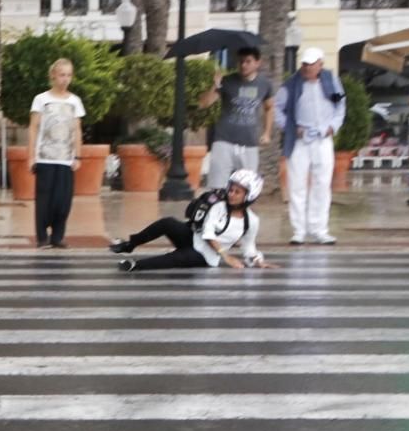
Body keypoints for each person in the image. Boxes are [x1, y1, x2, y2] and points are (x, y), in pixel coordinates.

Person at [109, 170, 275, 271]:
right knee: (168, 222)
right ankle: (130, 245)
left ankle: (135, 266)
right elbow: (208, 233)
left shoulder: (251, 221)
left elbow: (249, 246)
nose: (231, 194)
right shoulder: (220, 207)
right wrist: (227, 256)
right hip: (194, 238)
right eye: (231, 189)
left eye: (237, 192)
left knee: (176, 258)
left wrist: (258, 261)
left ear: (250, 196)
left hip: (206, 257)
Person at [273, 47, 345, 245]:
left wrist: (333, 126)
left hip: (323, 139)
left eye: (311, 63)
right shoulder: (291, 84)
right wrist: (289, 127)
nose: (306, 67)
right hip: (300, 140)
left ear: (320, 64)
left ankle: (319, 229)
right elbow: (277, 109)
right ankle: (298, 230)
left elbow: (340, 106)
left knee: (322, 185)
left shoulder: (332, 81)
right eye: (304, 63)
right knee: (296, 185)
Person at [29, 58, 85, 249]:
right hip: (44, 157)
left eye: (69, 75)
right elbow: (34, 127)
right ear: (53, 75)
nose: (65, 79)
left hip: (66, 159)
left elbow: (77, 130)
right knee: (44, 199)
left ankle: (58, 236)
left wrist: (78, 155)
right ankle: (42, 237)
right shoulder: (41, 99)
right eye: (62, 75)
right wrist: (31, 156)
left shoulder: (74, 101)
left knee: (63, 200)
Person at [199, 46, 274, 188]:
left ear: (258, 62)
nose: (243, 65)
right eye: (240, 61)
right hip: (224, 140)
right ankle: (217, 210)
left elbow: (269, 108)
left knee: (247, 186)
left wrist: (267, 133)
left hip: (249, 142)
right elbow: (204, 103)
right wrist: (214, 85)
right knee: (217, 186)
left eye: (248, 61)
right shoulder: (227, 81)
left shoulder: (265, 84)